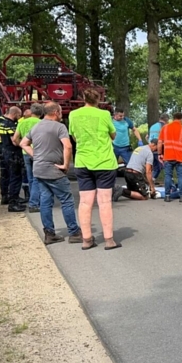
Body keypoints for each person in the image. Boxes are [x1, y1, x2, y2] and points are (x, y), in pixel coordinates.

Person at [20, 102, 82, 245]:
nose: (61, 115)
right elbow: (68, 145)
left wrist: (35, 156)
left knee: (46, 201)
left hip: (39, 169)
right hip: (54, 169)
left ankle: (49, 234)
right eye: (60, 112)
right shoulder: (59, 127)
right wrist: (66, 165)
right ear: (55, 112)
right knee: (66, 199)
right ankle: (74, 232)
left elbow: (23, 143)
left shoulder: (36, 126)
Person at [69, 88, 121, 250]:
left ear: (84, 98)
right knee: (104, 201)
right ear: (98, 99)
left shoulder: (73, 115)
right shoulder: (104, 115)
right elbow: (113, 136)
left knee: (85, 202)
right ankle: (109, 240)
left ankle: (86, 239)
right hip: (104, 162)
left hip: (83, 161)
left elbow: (74, 137)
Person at [13, 105, 45, 213]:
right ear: (41, 113)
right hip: (38, 152)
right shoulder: (41, 123)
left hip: (25, 152)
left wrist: (21, 145)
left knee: (31, 178)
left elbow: (15, 138)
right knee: (37, 179)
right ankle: (34, 203)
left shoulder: (22, 122)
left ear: (31, 112)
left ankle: (33, 199)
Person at [0, 106, 25, 211]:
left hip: (1, 151)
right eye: (19, 115)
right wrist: (25, 146)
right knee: (15, 177)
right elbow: (14, 141)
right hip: (12, 152)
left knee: (4, 175)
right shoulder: (10, 125)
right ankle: (13, 202)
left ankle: (4, 196)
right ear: (15, 114)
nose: (19, 118)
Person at [160, 111, 182, 202]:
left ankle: (167, 196)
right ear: (181, 119)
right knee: (181, 176)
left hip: (168, 156)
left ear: (173, 119)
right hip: (179, 157)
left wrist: (159, 154)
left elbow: (159, 143)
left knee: (168, 176)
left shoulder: (165, 128)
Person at [148, 113, 169, 182]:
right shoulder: (165, 127)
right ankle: (168, 181)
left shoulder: (153, 126)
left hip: (151, 148)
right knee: (165, 166)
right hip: (160, 149)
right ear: (166, 120)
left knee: (155, 167)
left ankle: (151, 180)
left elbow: (149, 138)